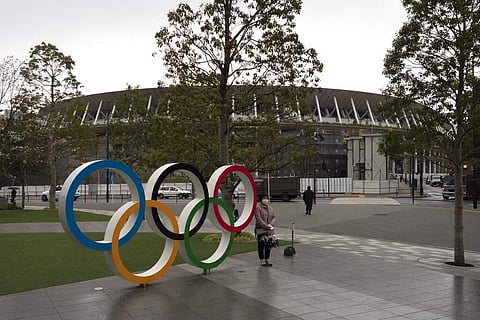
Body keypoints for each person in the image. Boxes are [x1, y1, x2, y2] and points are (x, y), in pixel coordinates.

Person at [255, 195, 276, 267]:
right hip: (261, 229)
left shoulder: (270, 208)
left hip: (269, 229)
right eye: (264, 198)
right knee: (261, 244)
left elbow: (273, 217)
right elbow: (258, 218)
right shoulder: (258, 208)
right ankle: (261, 259)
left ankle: (267, 258)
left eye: (266, 198)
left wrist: (271, 224)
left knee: (269, 244)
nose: (266, 200)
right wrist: (266, 226)